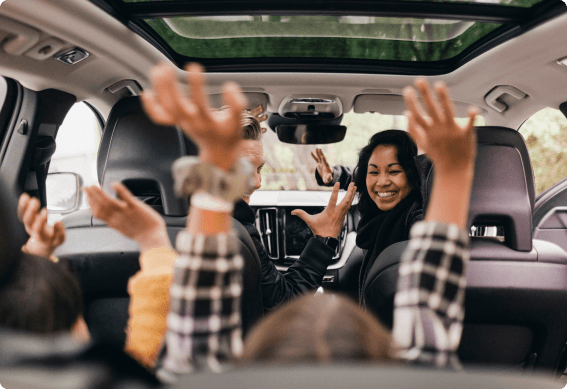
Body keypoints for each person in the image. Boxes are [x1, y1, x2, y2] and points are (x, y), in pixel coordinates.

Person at [89, 62, 477, 379]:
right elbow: (429, 306)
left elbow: (199, 326)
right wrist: (456, 173)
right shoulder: (238, 238)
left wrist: (163, 236)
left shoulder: (84, 238)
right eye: (241, 169)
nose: (256, 183)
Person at [312, 130, 433, 305]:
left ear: (413, 174)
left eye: (394, 171)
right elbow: (358, 177)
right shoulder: (376, 212)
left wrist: (424, 158)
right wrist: (333, 177)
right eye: (374, 172)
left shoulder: (416, 217)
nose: (382, 182)